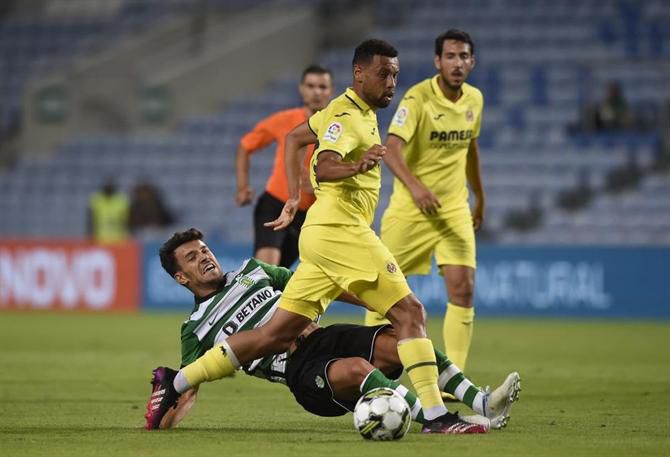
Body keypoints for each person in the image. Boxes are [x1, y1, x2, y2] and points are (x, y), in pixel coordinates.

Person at [145, 39, 490, 434]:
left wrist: (294, 197)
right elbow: (323, 167)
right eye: (384, 74)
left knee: (274, 333)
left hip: (319, 253)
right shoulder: (347, 116)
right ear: (359, 74)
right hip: (339, 232)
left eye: (395, 73)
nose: (392, 81)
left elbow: (295, 140)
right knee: (410, 313)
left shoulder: (339, 113)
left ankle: (173, 382)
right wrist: (354, 165)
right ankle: (434, 416)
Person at [145, 228, 521, 432]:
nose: (205, 257)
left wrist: (377, 302)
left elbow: (314, 286)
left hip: (323, 335)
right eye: (192, 258)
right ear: (180, 277)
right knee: (358, 368)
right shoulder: (195, 329)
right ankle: (435, 420)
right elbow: (190, 386)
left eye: (205, 249)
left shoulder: (252, 271)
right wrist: (165, 419)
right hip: (299, 371)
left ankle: (481, 401)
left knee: (401, 339)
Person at [364, 30, 486, 378]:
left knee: (464, 289)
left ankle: (455, 379)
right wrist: (416, 188)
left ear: (472, 62)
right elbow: (392, 148)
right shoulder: (418, 99)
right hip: (410, 210)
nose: (457, 63)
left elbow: (471, 150)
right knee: (382, 291)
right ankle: (373, 367)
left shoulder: (474, 100)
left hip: (454, 208)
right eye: (450, 56)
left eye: (463, 56)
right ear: (437, 61)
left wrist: (480, 196)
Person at [235, 65, 334, 267]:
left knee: (279, 276)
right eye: (311, 86)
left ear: (330, 91)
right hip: (276, 203)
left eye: (322, 87)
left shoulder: (338, 128)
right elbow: (245, 146)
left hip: (311, 215)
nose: (316, 92)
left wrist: (318, 186)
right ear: (301, 89)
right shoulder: (285, 120)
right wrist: (243, 186)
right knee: (266, 270)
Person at [87, 177, 130, 244]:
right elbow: (90, 220)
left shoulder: (122, 200)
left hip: (119, 239)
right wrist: (90, 235)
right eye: (107, 186)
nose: (109, 188)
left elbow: (127, 221)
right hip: (100, 238)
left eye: (110, 186)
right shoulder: (96, 199)